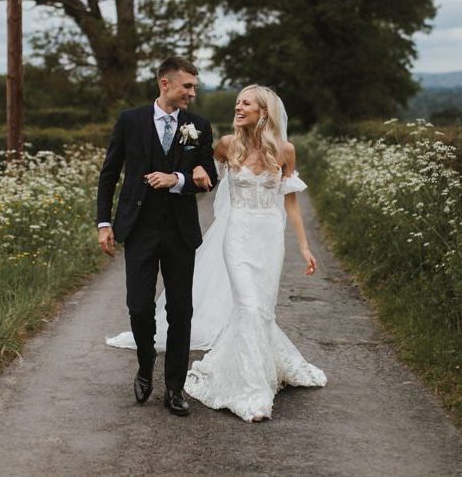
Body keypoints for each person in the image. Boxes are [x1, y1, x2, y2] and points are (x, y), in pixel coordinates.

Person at [107, 84, 326, 422]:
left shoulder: (285, 150)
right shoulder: (227, 145)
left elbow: (291, 202)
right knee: (249, 305)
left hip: (269, 238)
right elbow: (201, 165)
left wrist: (305, 246)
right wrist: (196, 170)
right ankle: (253, 390)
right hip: (236, 235)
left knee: (261, 310)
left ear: (263, 112)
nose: (238, 107)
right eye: (237, 102)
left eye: (246, 103)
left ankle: (256, 364)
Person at [96, 57, 218, 416]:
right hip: (138, 229)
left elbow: (210, 175)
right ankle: (145, 364)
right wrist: (104, 223)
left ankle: (174, 388)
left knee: (181, 310)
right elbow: (109, 175)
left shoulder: (199, 125)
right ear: (165, 83)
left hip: (180, 232)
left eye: (194, 87)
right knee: (139, 306)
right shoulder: (130, 120)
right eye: (187, 87)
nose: (193, 93)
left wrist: (178, 180)